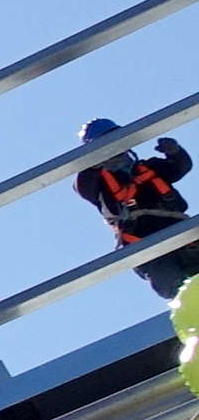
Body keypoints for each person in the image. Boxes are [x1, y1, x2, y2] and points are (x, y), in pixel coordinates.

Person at [74, 116, 199, 297]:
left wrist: (175, 152)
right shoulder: (96, 184)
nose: (116, 151)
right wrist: (95, 162)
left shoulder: (150, 168)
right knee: (171, 284)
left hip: (181, 233)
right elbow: (84, 182)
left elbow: (180, 167)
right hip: (145, 245)